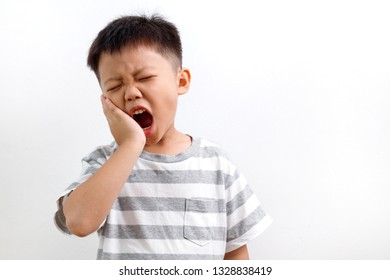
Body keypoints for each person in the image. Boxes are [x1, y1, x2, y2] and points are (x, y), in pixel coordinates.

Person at [54, 14, 271, 260]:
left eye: (144, 78)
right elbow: (79, 223)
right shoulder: (105, 161)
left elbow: (235, 253)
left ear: (181, 81)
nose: (131, 93)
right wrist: (131, 144)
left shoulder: (217, 164)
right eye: (114, 87)